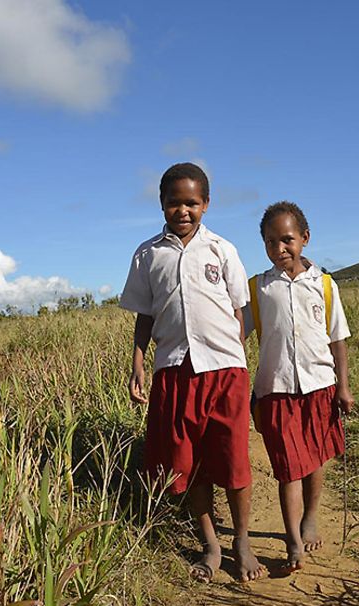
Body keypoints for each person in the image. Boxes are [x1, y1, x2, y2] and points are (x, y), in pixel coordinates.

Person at [120, 162, 267, 583]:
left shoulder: (222, 249)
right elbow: (144, 317)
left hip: (224, 371)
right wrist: (137, 365)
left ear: (206, 204)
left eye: (192, 202)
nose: (183, 211)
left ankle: (241, 539)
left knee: (235, 458)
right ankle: (211, 544)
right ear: (162, 205)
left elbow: (239, 311)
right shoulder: (148, 254)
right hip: (173, 371)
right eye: (174, 203)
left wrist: (236, 361)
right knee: (188, 463)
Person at [243, 201, 354, 572]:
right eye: (270, 242)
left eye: (287, 240)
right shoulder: (257, 288)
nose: (279, 249)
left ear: (305, 239)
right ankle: (293, 540)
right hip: (276, 390)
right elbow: (235, 334)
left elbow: (337, 338)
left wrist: (344, 386)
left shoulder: (323, 284)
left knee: (314, 458)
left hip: (319, 386)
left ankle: (310, 516)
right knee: (288, 467)